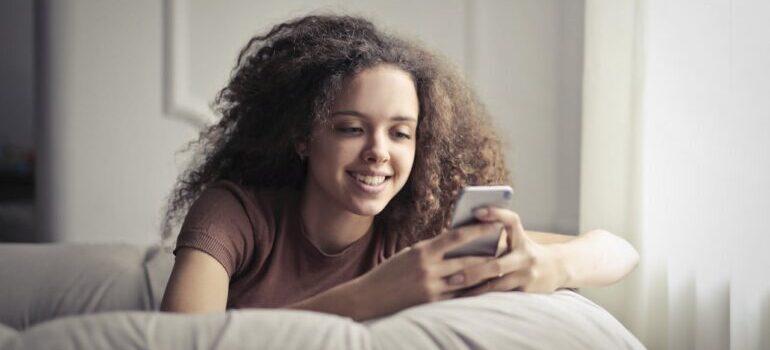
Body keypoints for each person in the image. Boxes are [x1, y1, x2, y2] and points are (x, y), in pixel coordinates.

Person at [160, 14, 639, 321]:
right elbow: (180, 342)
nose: (378, 151)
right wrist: (374, 295)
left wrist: (549, 265)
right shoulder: (234, 214)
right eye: (351, 128)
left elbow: (618, 252)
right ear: (303, 137)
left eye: (400, 132)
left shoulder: (414, 231)